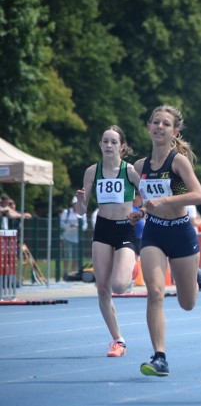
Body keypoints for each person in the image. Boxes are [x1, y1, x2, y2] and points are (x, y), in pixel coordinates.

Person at [129, 104, 201, 377]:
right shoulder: (141, 166)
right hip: (154, 233)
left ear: (175, 131)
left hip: (181, 232)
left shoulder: (177, 162)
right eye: (155, 122)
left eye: (165, 124)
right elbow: (143, 200)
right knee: (155, 292)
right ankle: (159, 356)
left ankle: (196, 278)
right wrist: (138, 212)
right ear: (149, 127)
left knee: (187, 303)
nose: (159, 127)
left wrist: (167, 200)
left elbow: (198, 196)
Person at [75, 125, 140, 357]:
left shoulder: (130, 171)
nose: (109, 145)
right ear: (100, 145)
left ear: (121, 146)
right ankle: (118, 340)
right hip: (103, 229)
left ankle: (133, 263)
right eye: (105, 141)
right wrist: (79, 201)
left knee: (119, 286)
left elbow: (148, 198)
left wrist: (139, 211)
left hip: (124, 230)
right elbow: (82, 211)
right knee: (102, 289)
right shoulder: (93, 171)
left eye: (114, 142)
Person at [60, 197, 88, 276]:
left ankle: (73, 273)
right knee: (67, 256)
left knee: (76, 257)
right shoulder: (66, 212)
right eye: (75, 204)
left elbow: (85, 226)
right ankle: (65, 273)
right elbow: (61, 224)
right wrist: (69, 226)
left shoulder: (83, 213)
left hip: (77, 238)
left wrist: (78, 227)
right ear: (72, 204)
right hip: (67, 237)